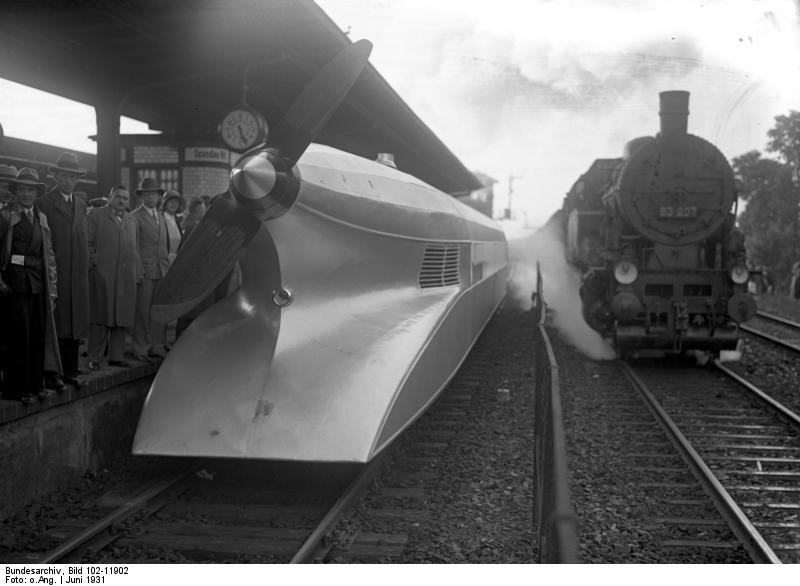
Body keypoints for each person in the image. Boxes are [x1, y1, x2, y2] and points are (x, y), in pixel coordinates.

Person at [0, 168, 62, 403]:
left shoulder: (41, 218)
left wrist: (53, 289)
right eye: (22, 189)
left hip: (38, 284)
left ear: (37, 193)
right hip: (13, 286)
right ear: (15, 191)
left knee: (37, 335)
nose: (27, 194)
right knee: (18, 337)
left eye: (31, 190)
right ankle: (16, 389)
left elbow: (49, 255)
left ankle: (36, 385)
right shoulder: (5, 217)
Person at [36, 152, 90, 390]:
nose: (69, 181)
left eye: (73, 177)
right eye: (64, 176)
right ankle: (52, 372)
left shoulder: (80, 203)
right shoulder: (45, 203)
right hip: (57, 274)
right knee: (57, 324)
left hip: (77, 273)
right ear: (56, 176)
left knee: (74, 323)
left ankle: (70, 370)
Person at [86, 186, 142, 371]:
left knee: (121, 316)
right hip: (103, 274)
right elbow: (87, 242)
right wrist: (94, 263)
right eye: (118, 197)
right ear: (110, 197)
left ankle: (116, 356)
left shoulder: (131, 219)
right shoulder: (96, 215)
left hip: (126, 275)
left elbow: (136, 247)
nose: (121, 201)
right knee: (101, 316)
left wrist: (137, 272)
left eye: (125, 198)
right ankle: (94, 357)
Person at [132, 176, 170, 360]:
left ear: (158, 196)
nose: (150, 198)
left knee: (158, 310)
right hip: (145, 272)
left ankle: (157, 345)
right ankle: (140, 348)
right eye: (147, 194)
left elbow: (165, 246)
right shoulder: (135, 217)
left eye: (154, 194)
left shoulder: (161, 216)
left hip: (161, 270)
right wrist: (139, 270)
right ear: (141, 196)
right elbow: (134, 247)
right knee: (142, 311)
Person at [161, 190, 183, 266]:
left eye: (176, 202)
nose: (174, 204)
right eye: (171, 201)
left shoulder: (177, 221)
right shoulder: (160, 219)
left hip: (176, 262)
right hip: (163, 262)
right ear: (165, 203)